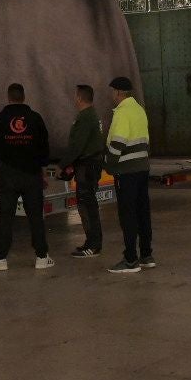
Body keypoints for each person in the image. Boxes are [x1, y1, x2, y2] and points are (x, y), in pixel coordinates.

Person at [0, 82, 53, 271]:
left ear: (8, 97)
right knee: (35, 218)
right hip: (32, 176)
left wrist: (0, 171)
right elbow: (44, 148)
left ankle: (0, 259)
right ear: (23, 97)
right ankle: (41, 257)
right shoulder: (35, 119)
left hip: (7, 177)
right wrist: (40, 169)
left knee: (5, 218)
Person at [104, 76, 154, 274]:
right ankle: (146, 255)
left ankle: (130, 259)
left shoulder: (122, 112)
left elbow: (117, 143)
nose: (111, 96)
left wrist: (109, 165)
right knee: (143, 212)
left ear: (117, 92)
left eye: (112, 92)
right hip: (142, 168)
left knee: (128, 214)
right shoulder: (139, 110)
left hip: (127, 171)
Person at [65, 84, 104, 257]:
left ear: (80, 98)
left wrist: (63, 164)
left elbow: (77, 145)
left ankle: (93, 244)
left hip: (87, 166)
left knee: (87, 205)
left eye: (76, 96)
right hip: (89, 165)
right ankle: (91, 242)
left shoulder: (86, 117)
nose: (75, 99)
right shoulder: (90, 116)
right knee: (87, 204)